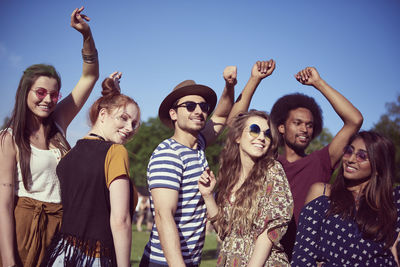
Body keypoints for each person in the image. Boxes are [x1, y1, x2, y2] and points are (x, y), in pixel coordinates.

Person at [0, 7, 99, 267]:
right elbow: (3, 203)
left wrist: (86, 35)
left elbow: (90, 76)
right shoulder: (9, 139)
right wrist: (9, 261)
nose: (48, 99)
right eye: (40, 92)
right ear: (26, 92)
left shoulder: (59, 121)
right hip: (25, 226)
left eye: (54, 94)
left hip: (61, 227)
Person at [139, 66, 236, 267]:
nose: (199, 111)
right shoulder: (169, 154)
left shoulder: (198, 144)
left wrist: (229, 85)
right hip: (165, 263)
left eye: (203, 106)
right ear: (173, 114)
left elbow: (223, 113)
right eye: (190, 106)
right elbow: (163, 217)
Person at [42, 72, 139, 266]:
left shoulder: (67, 157)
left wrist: (115, 96)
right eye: (124, 118)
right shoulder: (116, 153)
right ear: (103, 114)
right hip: (94, 258)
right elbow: (120, 220)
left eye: (134, 123)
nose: (129, 128)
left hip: (60, 256)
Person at [269, 66, 363, 258]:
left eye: (309, 125)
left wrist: (318, 83)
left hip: (310, 255)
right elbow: (235, 128)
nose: (305, 129)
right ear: (281, 127)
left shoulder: (321, 160)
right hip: (271, 254)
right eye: (297, 123)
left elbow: (354, 120)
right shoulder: (268, 163)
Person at [199, 110, 293, 266]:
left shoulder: (272, 170)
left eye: (267, 134)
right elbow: (224, 233)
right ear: (237, 137)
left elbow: (270, 232)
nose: (262, 137)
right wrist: (208, 195)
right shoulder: (229, 177)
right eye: (255, 130)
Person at [291, 131, 400, 266]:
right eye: (349, 151)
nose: (350, 159)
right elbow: (302, 258)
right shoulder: (321, 199)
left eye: (361, 156)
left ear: (378, 167)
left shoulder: (392, 202)